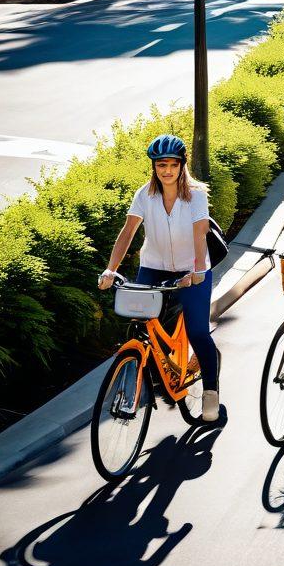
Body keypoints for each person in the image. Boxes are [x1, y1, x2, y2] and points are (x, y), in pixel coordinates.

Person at [97, 134, 221, 422]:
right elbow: (128, 232)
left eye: (173, 165)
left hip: (192, 270)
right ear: (154, 167)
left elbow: (200, 234)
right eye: (161, 165)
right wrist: (110, 269)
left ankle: (211, 391)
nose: (167, 171)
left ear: (182, 165)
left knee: (198, 332)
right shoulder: (145, 195)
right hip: (153, 266)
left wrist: (197, 271)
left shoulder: (196, 196)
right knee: (141, 325)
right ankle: (148, 372)